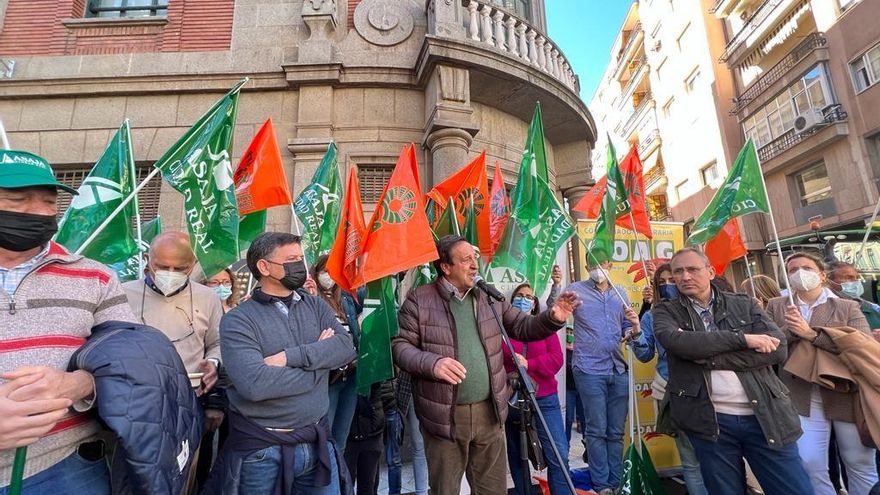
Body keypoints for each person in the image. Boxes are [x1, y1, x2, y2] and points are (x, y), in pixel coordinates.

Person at [391, 235, 580, 495]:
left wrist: (553, 318)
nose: (474, 265)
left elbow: (523, 326)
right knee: (445, 489)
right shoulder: (419, 300)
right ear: (446, 267)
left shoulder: (489, 298)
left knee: (492, 490)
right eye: (466, 259)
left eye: (475, 258)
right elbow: (400, 348)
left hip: (490, 414)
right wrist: (432, 363)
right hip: (445, 417)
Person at [0, 150, 136, 493]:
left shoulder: (97, 277)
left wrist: (78, 385)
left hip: (67, 467)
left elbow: (130, 362)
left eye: (49, 202)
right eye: (18, 199)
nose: (40, 211)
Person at [653, 247, 812, 495]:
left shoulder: (745, 304)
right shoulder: (666, 311)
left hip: (766, 416)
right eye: (678, 272)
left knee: (793, 489)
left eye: (692, 269)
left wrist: (704, 354)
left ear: (710, 271)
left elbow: (777, 349)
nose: (684, 277)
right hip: (709, 423)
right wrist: (745, 340)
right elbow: (676, 342)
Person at [207, 232, 356, 493]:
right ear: (264, 267)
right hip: (261, 452)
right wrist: (319, 367)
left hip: (316, 442)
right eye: (291, 259)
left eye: (301, 258)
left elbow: (346, 348)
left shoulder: (316, 306)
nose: (300, 265)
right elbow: (255, 384)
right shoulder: (239, 320)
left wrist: (289, 357)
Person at [766, 252, 879, 494]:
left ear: (822, 275)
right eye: (792, 269)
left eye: (805, 267)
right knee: (809, 463)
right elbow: (769, 347)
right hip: (800, 394)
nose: (799, 273)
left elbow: (863, 346)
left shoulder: (847, 306)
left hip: (847, 393)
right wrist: (790, 329)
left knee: (859, 461)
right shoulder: (777, 306)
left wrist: (812, 335)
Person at [122, 232, 224, 422]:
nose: (170, 274)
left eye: (179, 268)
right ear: (147, 260)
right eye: (162, 267)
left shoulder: (208, 297)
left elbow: (217, 343)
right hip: (135, 399)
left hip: (189, 399)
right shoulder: (123, 294)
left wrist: (213, 362)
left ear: (192, 265)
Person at [630, 263, 707, 495]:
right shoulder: (652, 316)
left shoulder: (702, 310)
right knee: (690, 459)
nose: (668, 286)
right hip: (672, 390)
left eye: (671, 281)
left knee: (716, 456)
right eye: (661, 283)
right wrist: (635, 332)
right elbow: (644, 354)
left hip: (708, 388)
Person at [566, 256, 640, 495]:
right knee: (596, 430)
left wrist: (634, 328)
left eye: (604, 262)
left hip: (617, 369)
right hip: (589, 369)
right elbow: (555, 307)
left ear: (610, 264)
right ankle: (602, 486)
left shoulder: (620, 293)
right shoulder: (575, 290)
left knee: (616, 432)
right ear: (588, 267)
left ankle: (616, 484)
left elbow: (626, 330)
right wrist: (557, 287)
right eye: (594, 264)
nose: (600, 268)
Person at [504, 283, 569, 495]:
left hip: (544, 398)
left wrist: (530, 364)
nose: (524, 299)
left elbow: (556, 360)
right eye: (519, 295)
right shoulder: (502, 330)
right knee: (518, 455)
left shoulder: (543, 327)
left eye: (528, 297)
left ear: (534, 304)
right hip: (514, 400)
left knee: (558, 454)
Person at [310, 254, 362, 455]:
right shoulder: (310, 298)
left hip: (351, 373)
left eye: (333, 271)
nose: (329, 276)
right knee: (325, 435)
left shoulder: (346, 299)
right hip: (329, 377)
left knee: (341, 437)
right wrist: (310, 296)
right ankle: (322, 479)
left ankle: (336, 481)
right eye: (325, 271)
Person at [345, 381, 393, 495]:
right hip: (347, 431)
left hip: (372, 427)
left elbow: (389, 381)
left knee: (369, 487)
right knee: (345, 486)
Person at [386, 371, 429, 495]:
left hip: (432, 385)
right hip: (405, 386)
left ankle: (422, 492)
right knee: (417, 446)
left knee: (420, 446)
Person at [827, 260, 880, 339]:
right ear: (829, 281)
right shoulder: (825, 310)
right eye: (849, 277)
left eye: (857, 277)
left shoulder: (869, 307)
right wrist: (870, 338)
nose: (856, 282)